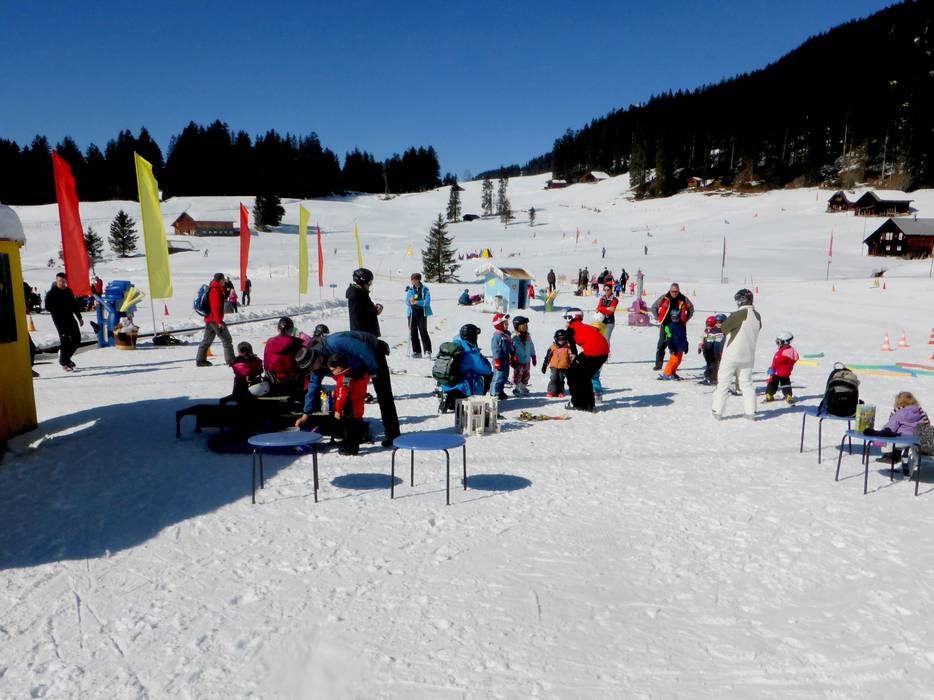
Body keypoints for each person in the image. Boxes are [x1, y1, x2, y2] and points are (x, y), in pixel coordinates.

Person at [296, 330, 400, 446]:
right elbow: (313, 387)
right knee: (350, 399)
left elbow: (362, 349)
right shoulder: (317, 366)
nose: (311, 371)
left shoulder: (335, 343)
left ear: (316, 359)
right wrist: (306, 415)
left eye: (311, 368)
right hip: (353, 366)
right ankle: (355, 436)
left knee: (383, 394)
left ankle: (393, 434)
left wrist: (372, 370)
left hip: (371, 352)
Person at [711, 289, 761, 420]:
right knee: (747, 384)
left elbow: (724, 328)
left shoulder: (739, 314)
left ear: (742, 300)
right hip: (748, 356)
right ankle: (750, 412)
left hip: (732, 355)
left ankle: (717, 411)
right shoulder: (757, 316)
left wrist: (727, 320)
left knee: (723, 382)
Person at [863, 392, 930, 466]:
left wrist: (881, 433)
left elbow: (891, 427)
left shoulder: (899, 413)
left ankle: (890, 455)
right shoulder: (922, 413)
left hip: (902, 440)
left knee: (887, 432)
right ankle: (901, 455)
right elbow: (926, 427)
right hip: (917, 441)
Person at [438, 324, 494, 412]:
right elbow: (487, 369)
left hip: (447, 384)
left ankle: (447, 396)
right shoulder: (470, 353)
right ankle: (476, 399)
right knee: (489, 376)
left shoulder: (454, 346)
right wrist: (480, 356)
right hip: (462, 388)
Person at [563, 307, 609, 411]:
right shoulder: (584, 326)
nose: (566, 320)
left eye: (567, 318)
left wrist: (573, 356)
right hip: (603, 353)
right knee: (585, 376)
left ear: (571, 317)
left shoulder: (571, 328)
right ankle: (588, 404)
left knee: (572, 374)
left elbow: (572, 346)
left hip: (593, 354)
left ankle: (577, 402)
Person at [327, 353, 370, 456]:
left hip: (350, 408)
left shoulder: (345, 379)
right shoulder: (357, 373)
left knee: (350, 428)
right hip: (357, 406)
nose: (332, 372)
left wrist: (337, 410)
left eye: (332, 370)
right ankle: (352, 443)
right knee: (356, 426)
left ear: (339, 367)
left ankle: (351, 448)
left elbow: (342, 395)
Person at [44, 272, 84, 371]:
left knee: (76, 339)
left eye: (63, 281)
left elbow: (74, 305)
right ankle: (64, 362)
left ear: (66, 281)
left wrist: (79, 318)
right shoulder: (51, 293)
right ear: (56, 281)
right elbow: (47, 307)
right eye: (59, 281)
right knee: (65, 340)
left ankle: (66, 358)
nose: (61, 283)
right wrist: (59, 307)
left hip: (70, 318)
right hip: (59, 320)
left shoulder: (68, 291)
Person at [651, 283, 694, 371]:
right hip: (666, 324)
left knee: (676, 345)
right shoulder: (664, 298)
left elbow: (691, 308)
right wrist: (658, 317)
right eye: (673, 291)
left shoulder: (683, 299)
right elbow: (654, 307)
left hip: (678, 326)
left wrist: (686, 319)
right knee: (662, 344)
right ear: (670, 290)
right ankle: (658, 365)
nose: (674, 293)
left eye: (676, 291)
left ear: (678, 291)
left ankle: (673, 365)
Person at [196, 272, 235, 367]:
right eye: (223, 280)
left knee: (207, 341)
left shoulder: (215, 288)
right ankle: (231, 360)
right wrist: (219, 322)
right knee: (227, 339)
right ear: (220, 280)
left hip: (210, 319)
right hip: (214, 320)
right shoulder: (215, 290)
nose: (225, 281)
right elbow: (215, 307)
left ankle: (200, 360)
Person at [263, 317, 305, 394]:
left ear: (278, 329)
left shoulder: (270, 342)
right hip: (292, 381)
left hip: (272, 380)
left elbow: (266, 363)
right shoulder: (296, 342)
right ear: (291, 329)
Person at [765, 331, 799, 403]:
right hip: (786, 373)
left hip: (777, 372)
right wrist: (788, 366)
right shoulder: (792, 350)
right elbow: (796, 358)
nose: (777, 344)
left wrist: (772, 369)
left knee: (773, 382)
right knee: (786, 383)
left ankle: (769, 394)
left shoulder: (781, 353)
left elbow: (776, 362)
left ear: (784, 342)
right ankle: (788, 396)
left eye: (778, 342)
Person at [347, 268, 383, 336]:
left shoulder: (361, 293)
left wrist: (375, 309)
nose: (370, 285)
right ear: (362, 281)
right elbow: (359, 315)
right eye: (369, 282)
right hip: (363, 334)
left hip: (366, 333)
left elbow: (365, 309)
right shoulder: (356, 294)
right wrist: (374, 311)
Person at [405, 272, 432, 358]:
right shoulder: (410, 290)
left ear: (418, 280)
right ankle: (417, 351)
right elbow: (407, 301)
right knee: (413, 332)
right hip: (412, 313)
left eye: (413, 279)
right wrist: (410, 301)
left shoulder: (425, 289)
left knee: (423, 331)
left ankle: (427, 350)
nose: (412, 281)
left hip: (421, 313)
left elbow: (427, 302)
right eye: (411, 279)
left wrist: (417, 302)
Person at [658, 308, 689, 380]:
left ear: (679, 317)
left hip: (680, 347)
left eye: (676, 318)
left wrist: (686, 345)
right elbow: (669, 339)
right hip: (674, 347)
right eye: (673, 318)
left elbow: (684, 336)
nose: (674, 320)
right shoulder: (670, 327)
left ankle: (672, 372)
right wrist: (671, 348)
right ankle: (667, 373)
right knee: (673, 361)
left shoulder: (681, 326)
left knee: (678, 361)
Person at [542, 329, 574, 397]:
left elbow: (571, 358)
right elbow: (548, 357)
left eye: (563, 339)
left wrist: (572, 365)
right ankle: (551, 392)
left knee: (561, 380)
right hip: (554, 367)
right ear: (556, 339)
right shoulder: (553, 347)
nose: (561, 341)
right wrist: (545, 365)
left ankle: (560, 392)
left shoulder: (568, 348)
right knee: (553, 379)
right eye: (559, 339)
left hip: (564, 367)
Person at [490, 313, 515, 401]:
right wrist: (497, 360)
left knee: (504, 376)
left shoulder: (507, 335)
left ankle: (500, 391)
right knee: (498, 377)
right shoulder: (497, 336)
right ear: (499, 324)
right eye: (505, 323)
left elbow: (511, 345)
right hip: (499, 359)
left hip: (506, 359)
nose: (507, 325)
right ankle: (494, 393)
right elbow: (495, 348)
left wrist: (513, 354)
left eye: (507, 323)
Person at [510, 316, 536, 396]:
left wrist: (533, 356)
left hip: (527, 360)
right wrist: (512, 357)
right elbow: (511, 348)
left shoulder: (528, 336)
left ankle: (523, 387)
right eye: (524, 326)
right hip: (518, 361)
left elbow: (531, 346)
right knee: (518, 375)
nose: (526, 327)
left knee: (526, 375)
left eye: (526, 325)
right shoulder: (514, 337)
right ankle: (517, 389)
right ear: (517, 326)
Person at [698, 315, 725, 386]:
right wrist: (702, 346)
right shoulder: (712, 331)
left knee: (716, 366)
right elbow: (707, 340)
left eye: (720, 322)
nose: (718, 324)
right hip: (710, 352)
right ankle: (708, 378)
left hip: (718, 353)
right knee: (710, 365)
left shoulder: (724, 332)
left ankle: (714, 379)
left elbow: (721, 340)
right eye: (717, 322)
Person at [590, 312, 608, 401]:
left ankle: (597, 394)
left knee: (593, 377)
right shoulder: (600, 339)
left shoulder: (598, 339)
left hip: (595, 362)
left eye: (595, 330)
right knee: (593, 377)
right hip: (595, 361)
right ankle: (596, 394)